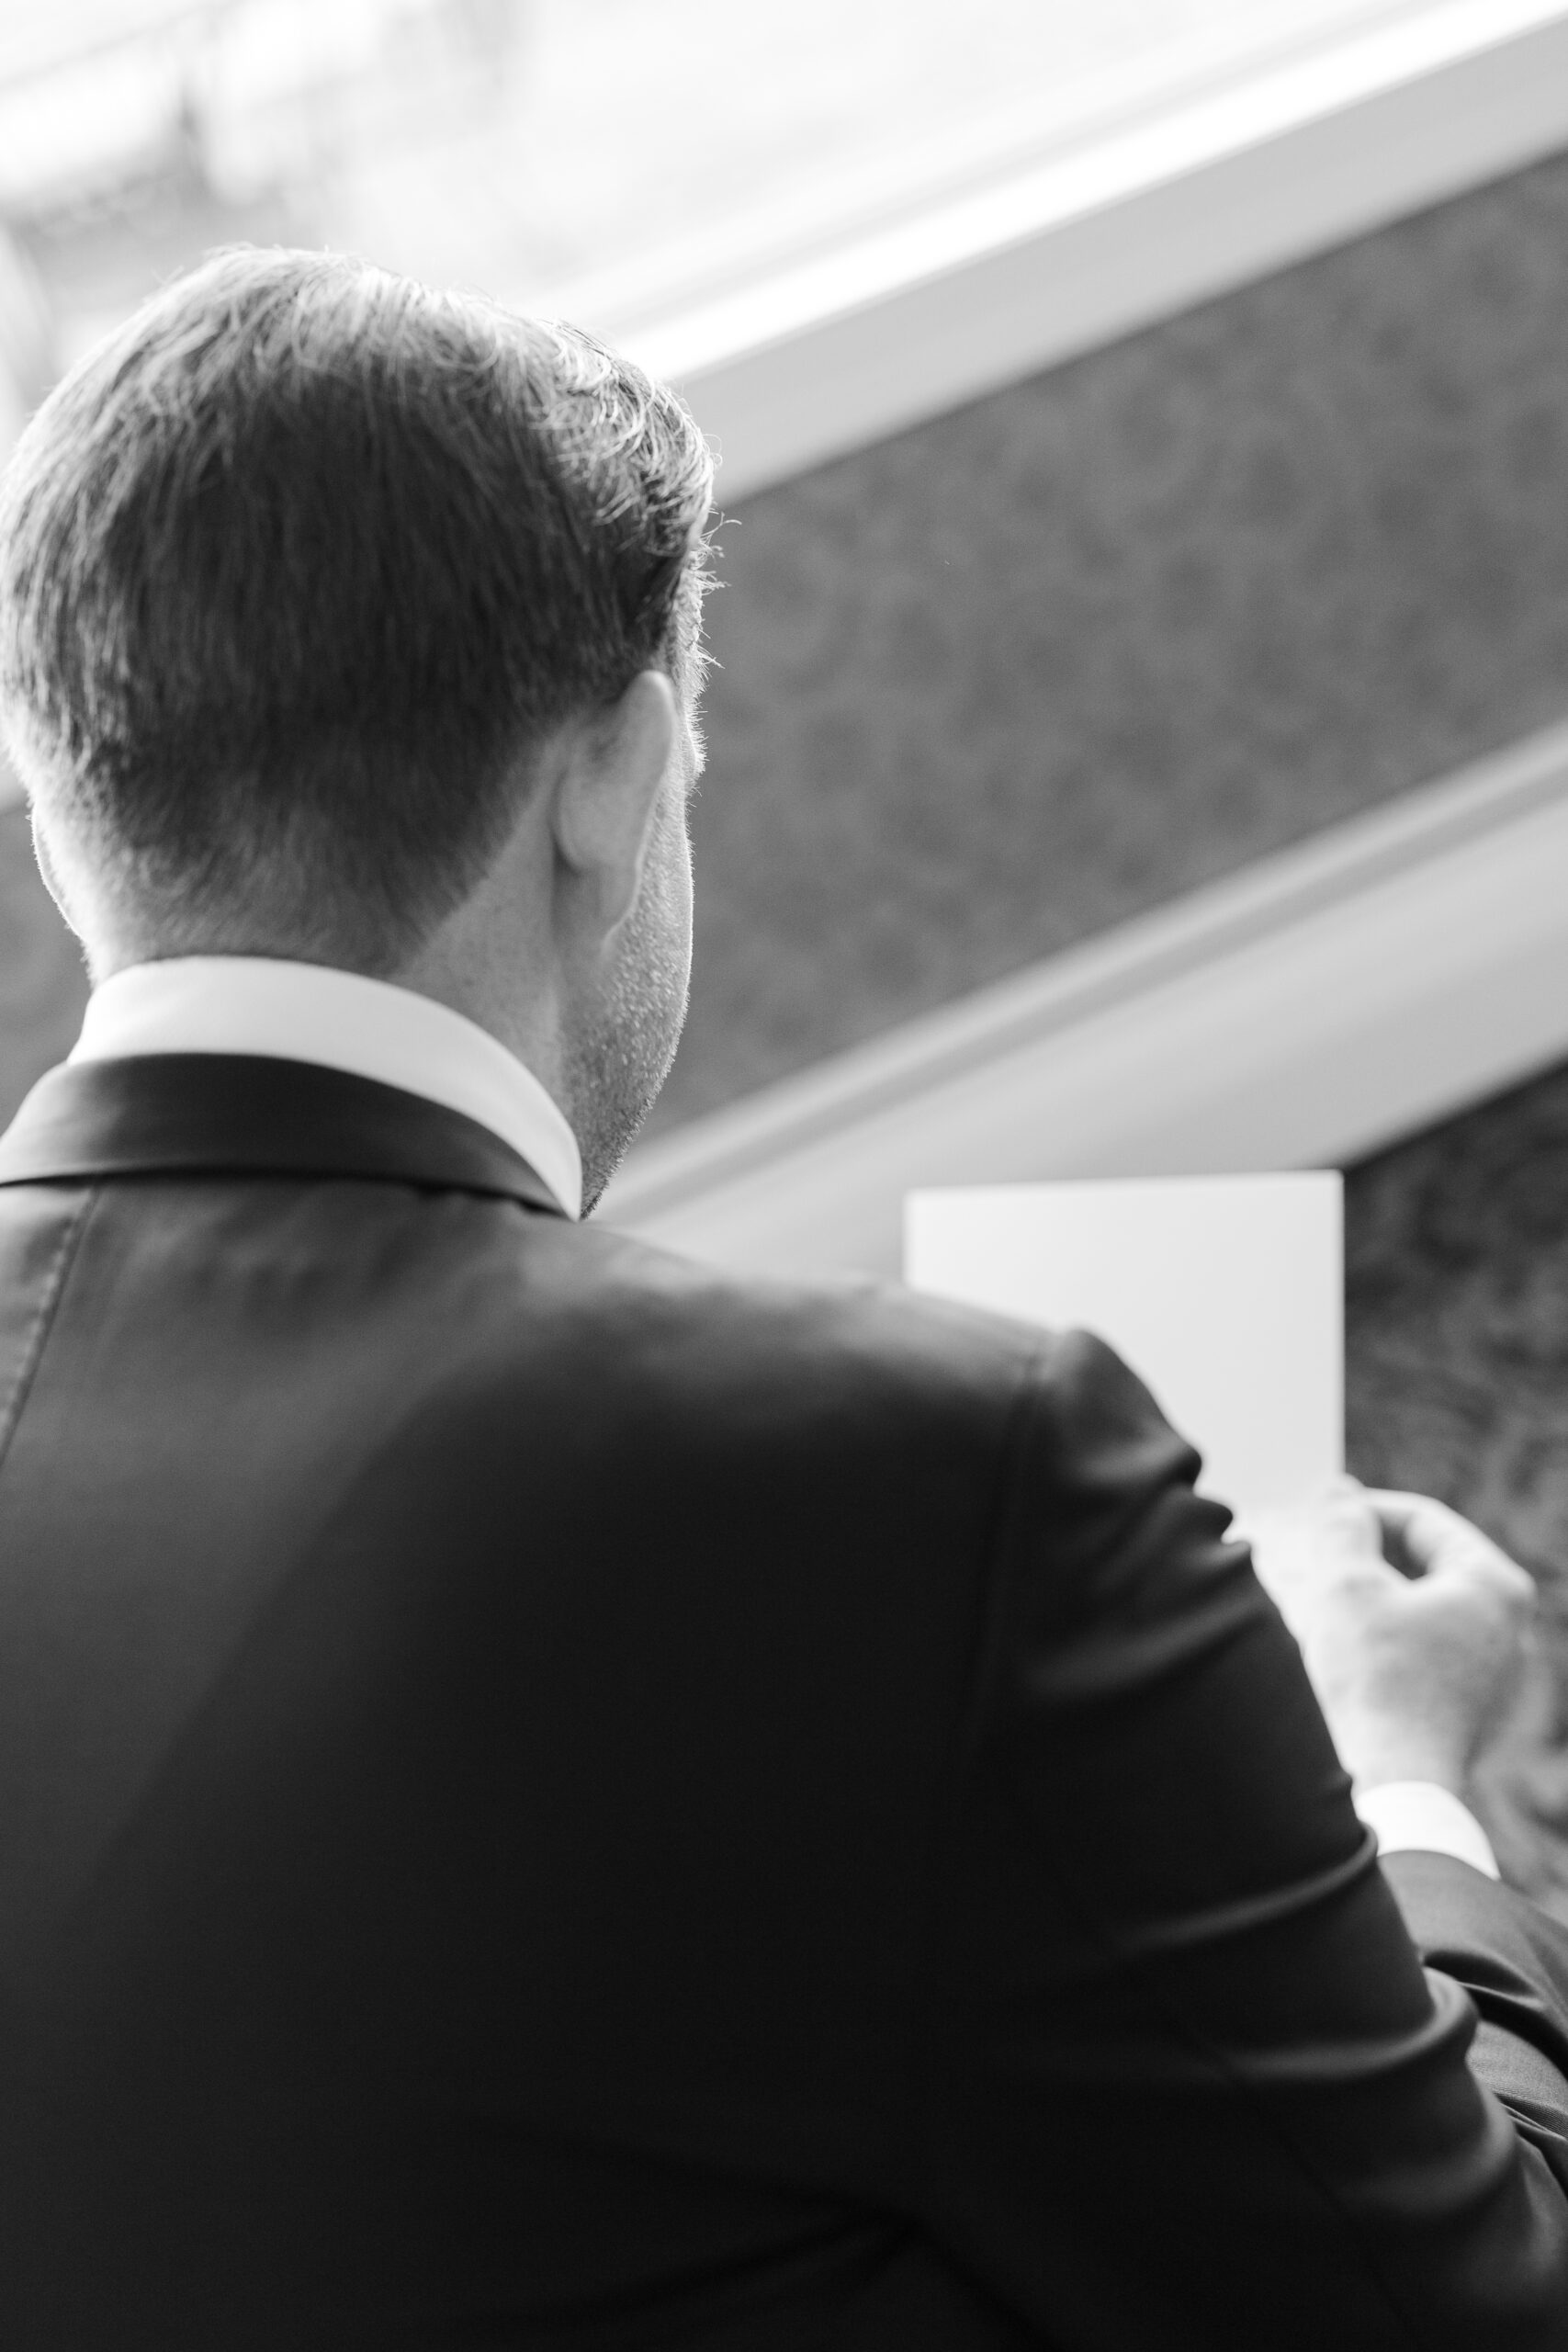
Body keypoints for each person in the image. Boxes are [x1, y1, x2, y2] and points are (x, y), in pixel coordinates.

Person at [0, 245, 1563, 2352]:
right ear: (618, 770)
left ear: (64, 803)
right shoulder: (939, 1477)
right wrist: (1400, 1779)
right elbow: (1462, 2308)